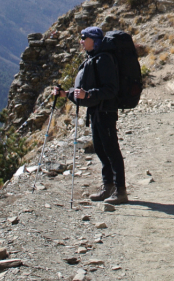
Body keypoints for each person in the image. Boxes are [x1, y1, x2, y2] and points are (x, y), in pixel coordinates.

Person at [52, 27, 128, 204]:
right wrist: (65, 94)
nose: (81, 41)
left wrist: (89, 95)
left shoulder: (104, 60)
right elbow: (83, 91)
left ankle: (120, 190)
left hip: (106, 111)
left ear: (93, 40)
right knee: (101, 150)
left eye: (84, 38)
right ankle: (108, 186)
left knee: (111, 150)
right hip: (96, 111)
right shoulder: (93, 58)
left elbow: (111, 90)